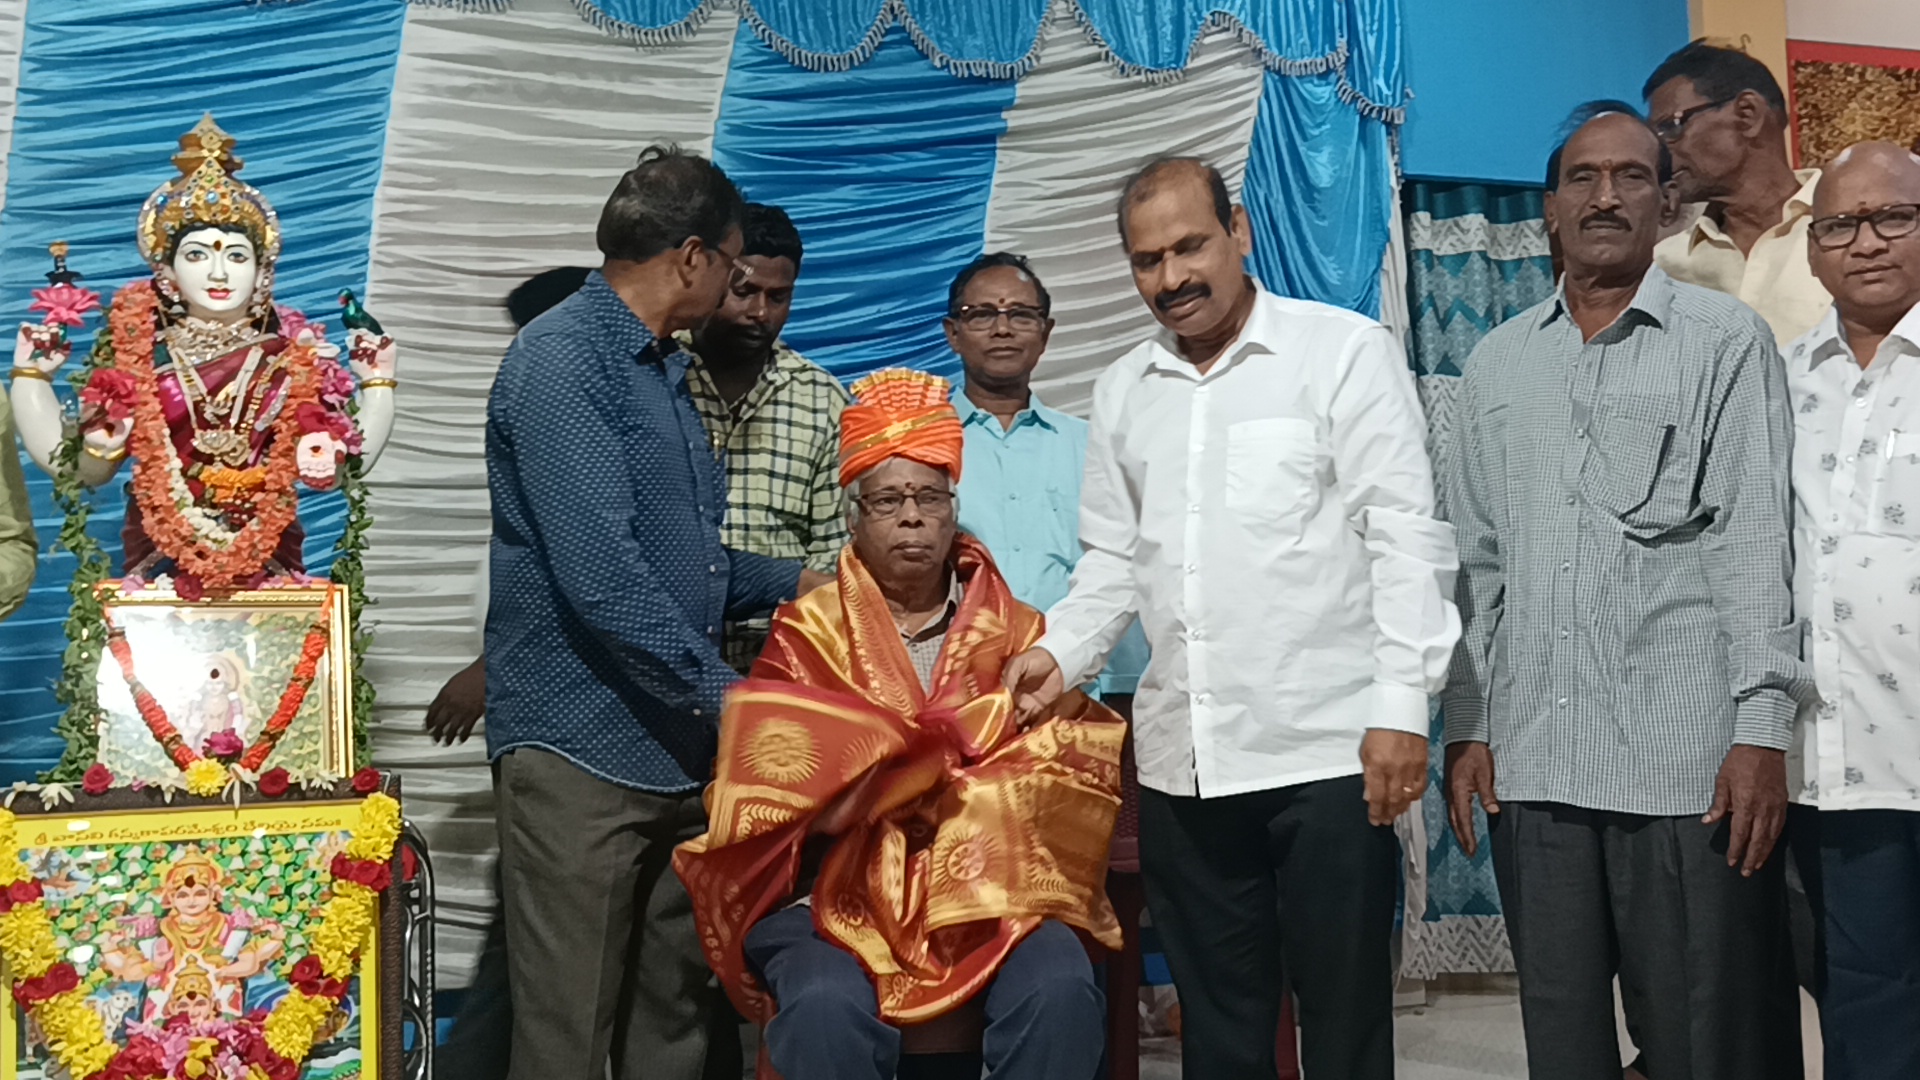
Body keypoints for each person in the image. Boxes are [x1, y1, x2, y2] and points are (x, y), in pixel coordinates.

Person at [1001, 157, 1459, 1079]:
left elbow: (1406, 537)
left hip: (1328, 752)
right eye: (1147, 260)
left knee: (1345, 1024)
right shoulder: (1125, 388)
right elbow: (1113, 560)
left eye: (1189, 247)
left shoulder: (1341, 352)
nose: (1171, 277)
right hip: (1187, 762)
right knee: (1219, 1032)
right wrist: (1059, 653)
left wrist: (1402, 709)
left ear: (1239, 232)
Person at [1443, 103, 1808, 1080]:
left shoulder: (1724, 343)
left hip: (1685, 765)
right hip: (1535, 762)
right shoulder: (1497, 363)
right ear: (1550, 207)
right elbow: (1479, 563)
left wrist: (1761, 732)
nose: (1605, 197)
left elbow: (1751, 544)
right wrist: (1469, 724)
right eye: (1583, 178)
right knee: (1562, 1044)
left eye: (1632, 176)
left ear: (1667, 202)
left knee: (1701, 1043)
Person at [484, 145, 830, 1080]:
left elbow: (689, 563)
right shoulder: (562, 360)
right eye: (730, 265)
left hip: (679, 753)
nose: (734, 287)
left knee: (672, 1031)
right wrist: (733, 700)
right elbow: (602, 579)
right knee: (567, 1039)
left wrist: (800, 581)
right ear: (692, 258)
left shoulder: (662, 368)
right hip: (581, 752)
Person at [676, 368, 1122, 1080]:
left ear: (954, 510)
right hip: (829, 890)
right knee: (823, 1003)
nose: (911, 516)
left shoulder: (1021, 633)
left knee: (1060, 983)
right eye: (887, 500)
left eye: (929, 497)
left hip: (990, 892)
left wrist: (956, 791)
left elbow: (1062, 764)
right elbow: (757, 780)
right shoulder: (806, 633)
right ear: (854, 519)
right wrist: (870, 790)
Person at [7, 115, 397, 595]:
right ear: (167, 273)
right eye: (197, 255)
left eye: (236, 256)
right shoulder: (140, 357)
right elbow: (85, 472)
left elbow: (337, 471)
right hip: (158, 556)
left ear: (262, 273)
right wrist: (31, 378)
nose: (218, 273)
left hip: (267, 557)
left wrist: (378, 385)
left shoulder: (293, 358)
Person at [426, 264, 591, 1080]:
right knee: (524, 944)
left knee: (531, 955)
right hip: (536, 738)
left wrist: (490, 671)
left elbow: (589, 585)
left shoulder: (599, 430)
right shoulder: (547, 422)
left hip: (577, 742)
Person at [1785, 141, 1920, 1079]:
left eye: (1893, 218)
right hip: (1842, 759)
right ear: (1812, 248)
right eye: (1839, 225)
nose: (1865, 242)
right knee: (1866, 1001)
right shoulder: (1778, 378)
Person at [944, 252, 1147, 705]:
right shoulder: (923, 445)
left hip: (1083, 692)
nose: (1002, 329)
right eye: (981, 314)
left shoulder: (1092, 445)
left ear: (1045, 333)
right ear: (953, 333)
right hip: (956, 692)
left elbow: (1121, 567)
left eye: (1021, 314)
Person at [679, 202, 850, 673]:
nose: (760, 312)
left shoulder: (821, 399)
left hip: (779, 667)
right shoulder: (660, 375)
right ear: (712, 278)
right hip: (664, 659)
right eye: (744, 291)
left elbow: (834, 554)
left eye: (778, 297)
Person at [1646, 40, 1831, 345]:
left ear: (1748, 114)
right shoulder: (1664, 266)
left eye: (1672, 127)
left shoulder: (1852, 236)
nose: (1659, 154)